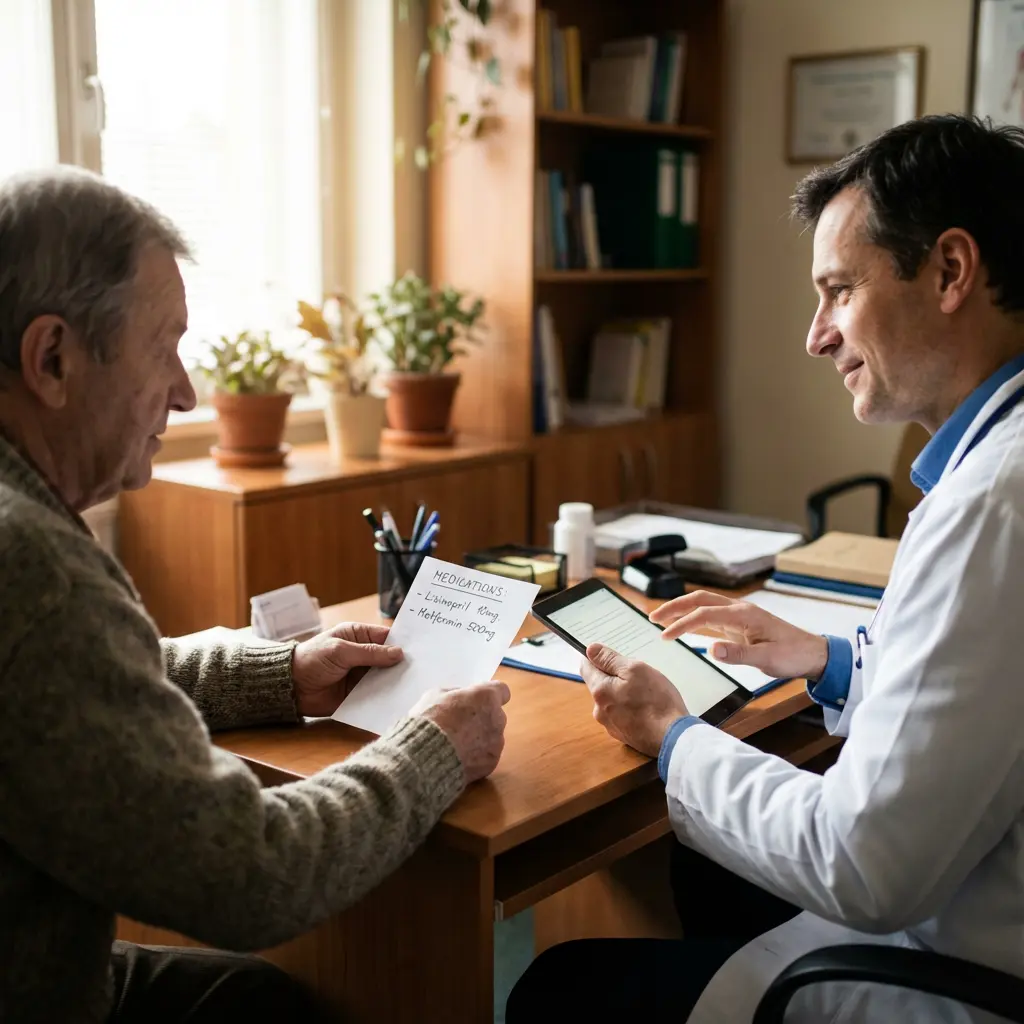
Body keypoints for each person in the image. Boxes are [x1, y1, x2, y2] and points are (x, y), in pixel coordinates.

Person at [507, 113, 1024, 1022]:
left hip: (963, 974)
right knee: (701, 868)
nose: (816, 335)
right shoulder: (996, 470)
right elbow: (982, 694)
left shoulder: (996, 503)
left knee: (559, 988)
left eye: (838, 291)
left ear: (950, 270)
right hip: (973, 894)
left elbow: (862, 866)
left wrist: (673, 735)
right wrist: (828, 660)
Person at [0, 167, 510, 1024]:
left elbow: (89, 678)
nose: (188, 390)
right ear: (52, 357)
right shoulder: (31, 567)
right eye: (163, 347)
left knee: (254, 1002)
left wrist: (282, 673)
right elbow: (255, 876)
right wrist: (434, 751)